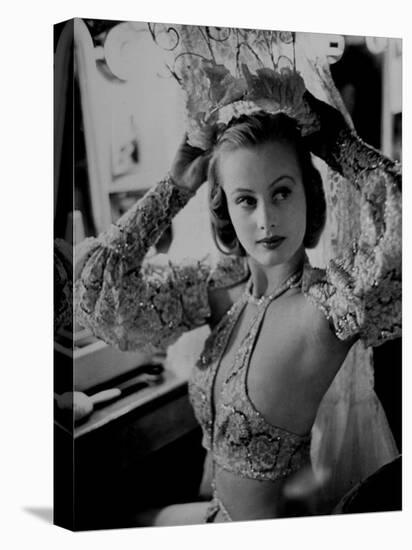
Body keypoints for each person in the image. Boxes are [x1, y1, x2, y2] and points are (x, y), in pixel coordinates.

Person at [75, 81, 401, 524]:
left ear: (309, 192)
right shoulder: (222, 287)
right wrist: (173, 188)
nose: (265, 220)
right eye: (246, 200)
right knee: (99, 515)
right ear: (224, 208)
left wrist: (333, 139)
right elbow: (99, 291)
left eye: (282, 192)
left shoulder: (327, 305)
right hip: (216, 513)